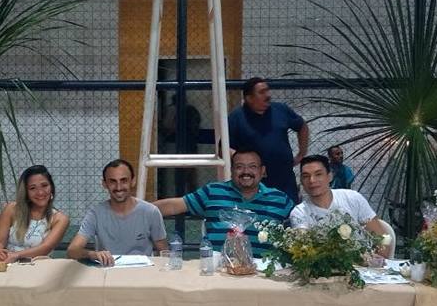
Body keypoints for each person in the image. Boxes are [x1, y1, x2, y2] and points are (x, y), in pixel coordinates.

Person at [154, 148, 292, 255]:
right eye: (239, 167)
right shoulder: (213, 191)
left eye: (252, 166)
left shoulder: (280, 199)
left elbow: (299, 223)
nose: (246, 172)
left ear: (263, 171)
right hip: (218, 268)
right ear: (231, 170)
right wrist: (141, 209)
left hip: (264, 270)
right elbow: (174, 206)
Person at [67, 159, 168, 266]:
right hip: (108, 271)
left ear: (133, 181)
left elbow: (164, 253)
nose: (118, 187)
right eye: (113, 181)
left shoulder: (151, 212)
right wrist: (92, 254)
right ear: (104, 184)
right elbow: (72, 250)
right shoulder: (95, 214)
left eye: (124, 180)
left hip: (142, 272)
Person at [290, 154, 393, 257]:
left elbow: (382, 240)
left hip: (366, 262)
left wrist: (374, 260)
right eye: (306, 176)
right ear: (301, 181)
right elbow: (305, 253)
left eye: (318, 174)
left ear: (330, 176)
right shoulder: (299, 213)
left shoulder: (353, 198)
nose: (312, 180)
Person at [227, 77, 309, 203]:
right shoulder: (236, 117)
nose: (268, 95)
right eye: (262, 92)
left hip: (284, 179)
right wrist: (245, 164)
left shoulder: (281, 110)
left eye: (267, 90)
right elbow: (224, 148)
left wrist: (301, 153)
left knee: (289, 211)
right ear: (249, 98)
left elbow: (302, 126)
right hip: (253, 182)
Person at [0, 165, 70, 262]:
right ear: (26, 192)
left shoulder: (60, 219)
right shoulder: (11, 209)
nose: (40, 192)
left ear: (51, 187)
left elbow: (46, 247)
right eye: (32, 188)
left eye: (44, 186)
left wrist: (16, 255)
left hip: (39, 266)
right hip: (7, 263)